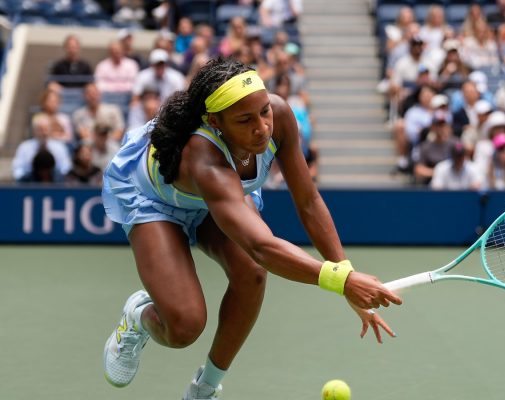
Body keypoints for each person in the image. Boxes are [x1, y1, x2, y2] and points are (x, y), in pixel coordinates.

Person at [101, 58, 401, 399]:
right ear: (215, 122)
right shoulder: (202, 156)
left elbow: (308, 201)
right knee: (184, 328)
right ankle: (138, 316)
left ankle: (205, 388)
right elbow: (262, 245)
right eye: (245, 120)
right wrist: (342, 281)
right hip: (157, 201)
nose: (262, 128)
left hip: (220, 197)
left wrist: (345, 273)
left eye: (264, 112)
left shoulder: (280, 116)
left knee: (252, 273)